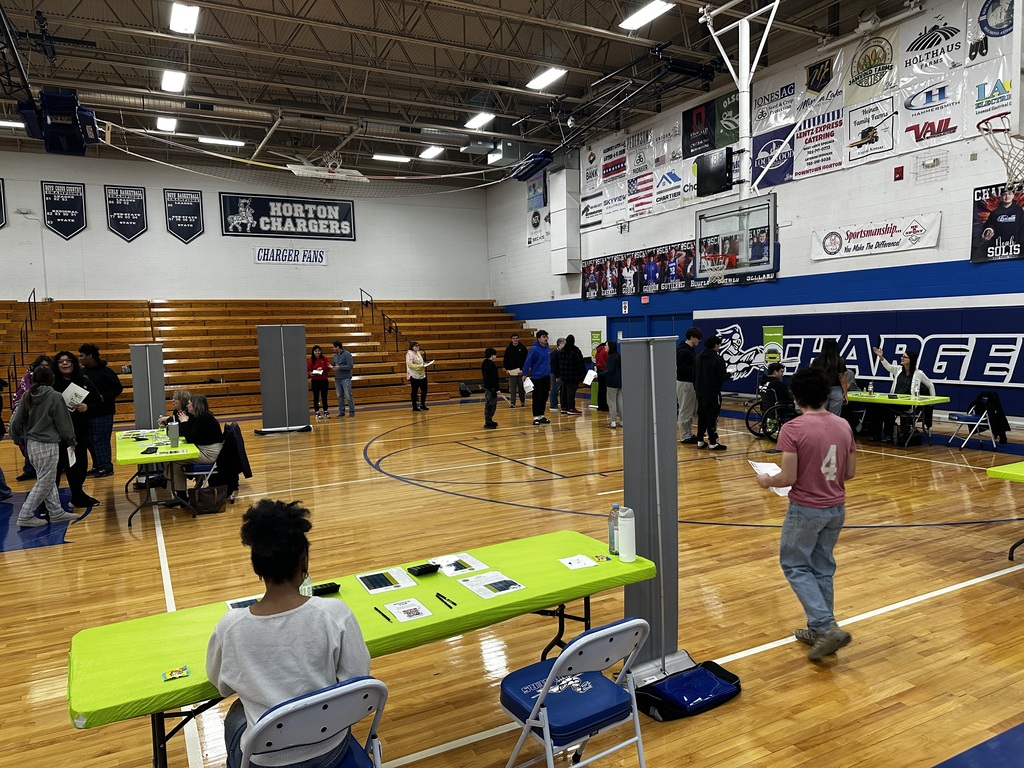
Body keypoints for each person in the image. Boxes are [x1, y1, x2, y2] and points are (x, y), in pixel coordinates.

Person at [206, 499, 371, 768]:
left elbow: (220, 684)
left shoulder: (230, 627)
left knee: (237, 714)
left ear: (256, 567)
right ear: (304, 562)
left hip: (265, 761)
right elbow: (357, 680)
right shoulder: (334, 613)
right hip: (330, 748)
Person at [755, 367, 857, 661]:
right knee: (822, 567)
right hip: (836, 507)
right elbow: (849, 472)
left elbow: (787, 476)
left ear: (796, 396)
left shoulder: (793, 428)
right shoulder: (843, 426)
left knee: (796, 566)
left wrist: (767, 480)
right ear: (826, 395)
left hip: (806, 509)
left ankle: (825, 627)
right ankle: (819, 629)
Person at [8, 365, 79, 527]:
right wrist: (71, 440)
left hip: (31, 444)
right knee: (46, 480)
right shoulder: (55, 396)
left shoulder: (27, 395)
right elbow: (64, 423)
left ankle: (55, 512)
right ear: (51, 379)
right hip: (48, 444)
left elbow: (15, 421)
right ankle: (25, 514)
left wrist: (16, 437)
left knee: (45, 478)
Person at [52, 351, 101, 509]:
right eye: (61, 361)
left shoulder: (83, 381)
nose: (65, 364)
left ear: (74, 363)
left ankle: (78, 495)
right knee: (56, 468)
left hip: (79, 432)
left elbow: (97, 402)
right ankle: (49, 502)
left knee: (79, 466)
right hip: (56, 434)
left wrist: (87, 407)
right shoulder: (52, 384)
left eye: (68, 361)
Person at [165, 393, 224, 506]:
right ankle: (182, 493)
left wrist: (184, 422)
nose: (187, 406)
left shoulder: (204, 418)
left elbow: (190, 439)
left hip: (210, 454)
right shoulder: (202, 416)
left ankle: (181, 497)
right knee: (175, 459)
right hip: (207, 450)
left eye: (189, 403)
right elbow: (191, 436)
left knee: (175, 461)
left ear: (195, 405)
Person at [871, 346, 935, 441]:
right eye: (902, 356)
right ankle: (877, 435)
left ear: (911, 360)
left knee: (887, 409)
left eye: (905, 357)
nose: (902, 358)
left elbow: (930, 385)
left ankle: (889, 435)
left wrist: (932, 399)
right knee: (877, 407)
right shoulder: (898, 370)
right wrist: (881, 357)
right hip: (895, 401)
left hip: (907, 405)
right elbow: (888, 367)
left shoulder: (919, 373)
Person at [78, 343, 123, 478]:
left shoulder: (106, 372)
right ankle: (97, 465)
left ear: (90, 356)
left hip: (103, 413)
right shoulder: (82, 373)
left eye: (82, 356)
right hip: (87, 413)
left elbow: (117, 389)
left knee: (101, 440)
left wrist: (103, 398)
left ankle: (106, 467)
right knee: (90, 441)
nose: (79, 359)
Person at [12, 354, 52, 481]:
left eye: (47, 366)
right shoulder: (26, 379)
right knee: (28, 442)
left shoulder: (53, 380)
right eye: (41, 366)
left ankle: (52, 467)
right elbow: (19, 396)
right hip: (28, 416)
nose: (44, 369)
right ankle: (29, 470)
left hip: (47, 415)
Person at [693, 335, 730, 451]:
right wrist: (729, 374)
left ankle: (700, 440)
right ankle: (713, 442)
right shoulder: (717, 359)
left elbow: (694, 374)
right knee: (712, 417)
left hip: (699, 392)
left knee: (702, 416)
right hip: (712, 392)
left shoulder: (698, 358)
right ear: (716, 345)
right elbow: (722, 376)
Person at [676, 326, 702, 444]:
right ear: (692, 337)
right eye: (698, 338)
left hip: (689, 382)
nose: (699, 341)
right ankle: (685, 436)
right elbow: (682, 369)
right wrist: (697, 368)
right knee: (685, 410)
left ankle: (689, 433)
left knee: (690, 410)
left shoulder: (689, 349)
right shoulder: (684, 351)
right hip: (685, 383)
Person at [811, 339, 848, 416]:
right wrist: (845, 394)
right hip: (836, 391)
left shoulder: (817, 361)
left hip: (821, 391)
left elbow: (813, 378)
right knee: (834, 418)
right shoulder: (839, 361)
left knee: (821, 417)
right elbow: (843, 379)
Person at [522, 330, 551, 426]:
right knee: (537, 397)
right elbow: (528, 362)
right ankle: (535, 417)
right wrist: (524, 373)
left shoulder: (548, 349)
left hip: (546, 376)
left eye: (546, 336)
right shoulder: (534, 349)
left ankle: (541, 415)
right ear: (538, 339)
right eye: (543, 337)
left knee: (544, 396)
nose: (545, 338)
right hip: (537, 377)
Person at [559, 334, 585, 415]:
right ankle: (571, 408)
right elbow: (580, 364)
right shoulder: (575, 350)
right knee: (571, 393)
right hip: (573, 376)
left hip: (564, 375)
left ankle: (564, 407)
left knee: (563, 392)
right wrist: (583, 375)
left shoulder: (562, 350)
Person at [503, 333, 528, 408]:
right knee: (513, 388)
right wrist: (507, 369)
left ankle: (522, 401)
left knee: (521, 388)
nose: (515, 339)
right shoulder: (508, 348)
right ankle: (512, 403)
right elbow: (505, 360)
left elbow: (526, 360)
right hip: (512, 371)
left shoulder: (523, 348)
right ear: (511, 339)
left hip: (520, 371)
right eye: (513, 338)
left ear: (518, 339)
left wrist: (524, 370)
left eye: (516, 338)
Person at [331, 340, 355, 417]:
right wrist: (331, 366)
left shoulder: (347, 355)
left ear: (337, 347)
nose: (332, 349)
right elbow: (333, 364)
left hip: (345, 378)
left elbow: (350, 366)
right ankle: (342, 411)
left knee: (348, 395)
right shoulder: (335, 356)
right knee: (339, 396)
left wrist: (340, 367)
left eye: (333, 347)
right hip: (337, 378)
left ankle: (351, 411)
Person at [307, 345, 331, 421]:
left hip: (324, 380)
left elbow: (328, 368)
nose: (317, 352)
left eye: (318, 351)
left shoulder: (324, 359)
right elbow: (308, 371)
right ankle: (317, 412)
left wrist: (322, 368)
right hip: (315, 381)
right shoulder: (310, 360)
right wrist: (310, 373)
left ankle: (326, 411)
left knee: (324, 396)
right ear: (313, 352)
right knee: (316, 397)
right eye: (316, 351)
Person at [406, 341, 429, 412]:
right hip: (414, 375)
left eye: (418, 346)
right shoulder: (409, 354)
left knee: (424, 389)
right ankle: (414, 406)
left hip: (421, 374)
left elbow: (420, 361)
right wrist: (420, 366)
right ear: (412, 347)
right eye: (416, 346)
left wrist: (424, 364)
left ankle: (422, 404)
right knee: (414, 391)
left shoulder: (418, 353)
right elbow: (410, 365)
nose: (418, 347)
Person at [605, 341, 622, 429]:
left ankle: (613, 421)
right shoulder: (618, 356)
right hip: (619, 382)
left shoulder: (610, 357)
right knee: (620, 402)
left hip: (612, 383)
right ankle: (622, 421)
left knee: (611, 402)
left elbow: (609, 371)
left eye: (606, 345)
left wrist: (598, 374)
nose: (605, 346)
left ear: (610, 347)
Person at [481, 347, 499, 430]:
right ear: (492, 355)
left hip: (487, 386)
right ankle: (488, 421)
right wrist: (496, 388)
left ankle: (489, 420)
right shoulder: (491, 365)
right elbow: (494, 378)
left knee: (488, 403)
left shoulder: (484, 363)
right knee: (491, 404)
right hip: (491, 387)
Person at [548, 337, 565, 412]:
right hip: (555, 373)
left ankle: (559, 404)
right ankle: (553, 405)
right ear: (560, 344)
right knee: (555, 389)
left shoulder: (562, 352)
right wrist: (557, 376)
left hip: (560, 373)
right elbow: (554, 365)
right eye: (564, 344)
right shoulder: (555, 353)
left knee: (559, 389)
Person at [594, 341, 609, 412]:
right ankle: (605, 406)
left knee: (600, 389)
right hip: (604, 370)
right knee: (605, 389)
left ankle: (600, 406)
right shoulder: (605, 351)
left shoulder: (597, 352)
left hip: (599, 371)